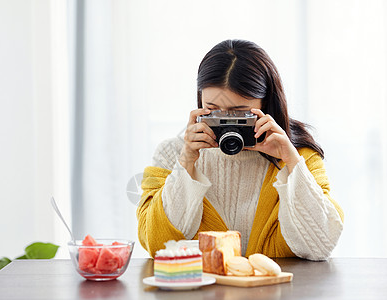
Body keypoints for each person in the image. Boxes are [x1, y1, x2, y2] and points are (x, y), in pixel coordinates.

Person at [137, 39, 344, 261]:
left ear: (265, 104)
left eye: (239, 113)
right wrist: (186, 163)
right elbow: (157, 245)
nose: (227, 122)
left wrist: (291, 161)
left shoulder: (298, 155)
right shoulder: (173, 153)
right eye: (213, 110)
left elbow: (320, 246)